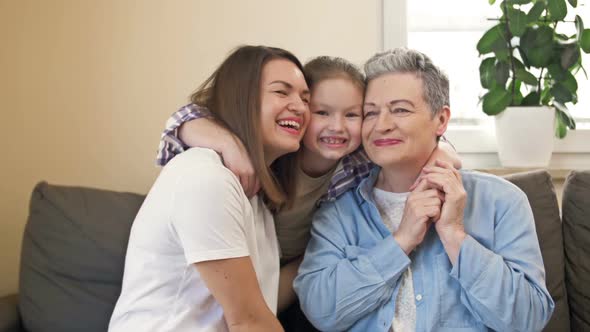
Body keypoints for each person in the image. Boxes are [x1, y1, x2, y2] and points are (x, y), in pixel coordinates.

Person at [154, 55, 462, 322]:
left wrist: (442, 153)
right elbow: (180, 123)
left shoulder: (358, 162)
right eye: (322, 112)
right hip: (235, 266)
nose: (337, 127)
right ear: (301, 110)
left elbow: (419, 139)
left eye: (353, 114)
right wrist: (228, 143)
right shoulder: (275, 151)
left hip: (298, 275)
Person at [293, 48, 555, 332]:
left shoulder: (502, 201)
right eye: (370, 113)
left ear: (441, 120)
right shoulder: (338, 212)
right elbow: (321, 312)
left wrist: (454, 234)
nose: (382, 125)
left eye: (400, 110)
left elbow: (528, 320)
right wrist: (402, 240)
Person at [108, 45, 311, 332]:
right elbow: (249, 320)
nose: (300, 107)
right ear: (242, 99)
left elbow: (261, 303)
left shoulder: (254, 193)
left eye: (305, 98)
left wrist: (319, 253)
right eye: (282, 92)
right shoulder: (207, 176)